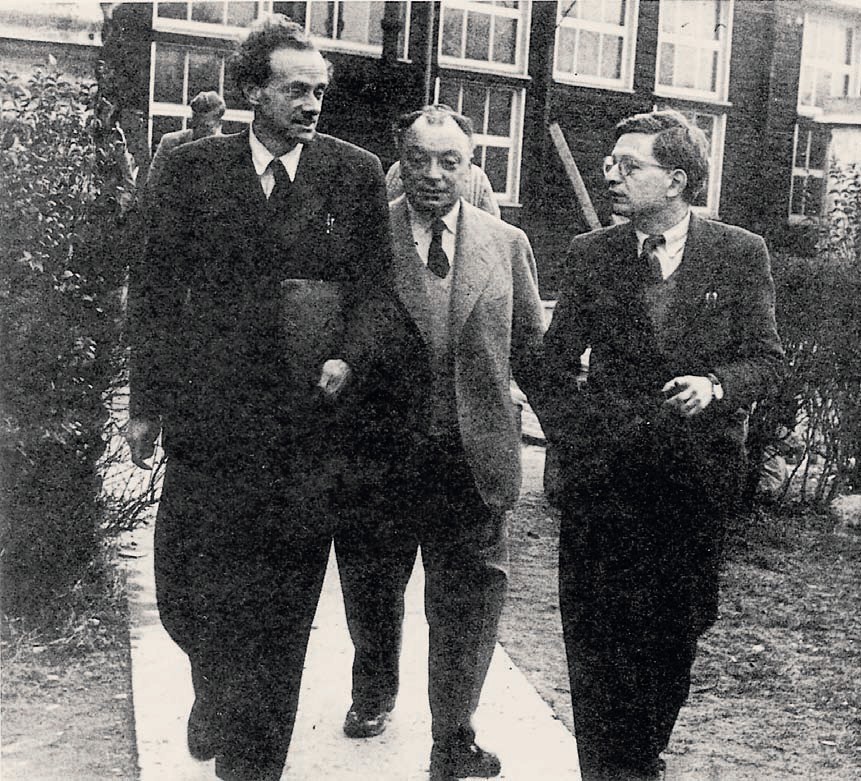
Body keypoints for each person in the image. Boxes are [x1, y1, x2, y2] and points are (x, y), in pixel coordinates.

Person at [125, 15, 402, 781]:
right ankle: (213, 688)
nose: (312, 104)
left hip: (306, 431)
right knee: (186, 590)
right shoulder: (190, 169)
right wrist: (145, 402)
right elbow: (153, 291)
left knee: (282, 611)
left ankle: (253, 762)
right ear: (252, 90)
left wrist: (348, 355)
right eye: (295, 89)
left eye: (320, 91)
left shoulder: (353, 173)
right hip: (209, 423)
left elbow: (375, 293)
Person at [532, 109, 784, 780]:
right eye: (610, 164)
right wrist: (578, 439)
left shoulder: (739, 253)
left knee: (675, 632)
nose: (611, 175)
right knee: (594, 637)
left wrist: (715, 385)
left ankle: (640, 754)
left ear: (675, 179)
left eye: (629, 165)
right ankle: (611, 768)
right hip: (603, 487)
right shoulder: (591, 254)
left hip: (691, 486)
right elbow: (550, 365)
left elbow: (766, 360)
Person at [333, 105, 546, 781]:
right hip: (379, 458)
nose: (433, 174)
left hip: (470, 461)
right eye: (419, 159)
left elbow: (532, 351)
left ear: (470, 166)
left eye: (449, 161)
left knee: (469, 603)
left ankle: (453, 736)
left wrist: (573, 432)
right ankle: (374, 687)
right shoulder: (365, 236)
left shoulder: (506, 243)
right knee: (372, 586)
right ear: (400, 162)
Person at [145, 90, 226, 189]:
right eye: (196, 125)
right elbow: (154, 183)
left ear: (219, 123)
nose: (201, 132)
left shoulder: (226, 150)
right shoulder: (171, 143)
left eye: (206, 127)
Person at [386, 156, 500, 217]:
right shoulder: (399, 169)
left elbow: (492, 224)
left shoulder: (476, 176)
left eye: (449, 162)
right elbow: (388, 212)